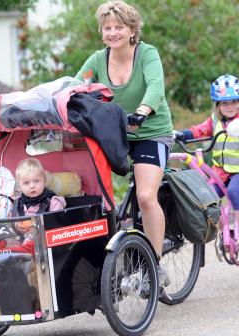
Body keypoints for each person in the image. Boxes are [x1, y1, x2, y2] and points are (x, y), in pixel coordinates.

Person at [75, 0, 173, 287]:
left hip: (150, 131)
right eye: (107, 28)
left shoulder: (147, 54)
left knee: (144, 197)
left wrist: (142, 112)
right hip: (114, 134)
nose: (113, 32)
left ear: (132, 30)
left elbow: (156, 87)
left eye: (119, 27)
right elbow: (75, 87)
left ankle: (154, 265)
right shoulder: (96, 60)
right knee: (96, 198)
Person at [176, 74, 239, 247]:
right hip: (222, 172)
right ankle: (223, 232)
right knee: (207, 198)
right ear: (218, 104)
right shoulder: (216, 120)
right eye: (224, 103)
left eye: (233, 101)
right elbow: (200, 130)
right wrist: (181, 134)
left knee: (233, 191)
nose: (229, 106)